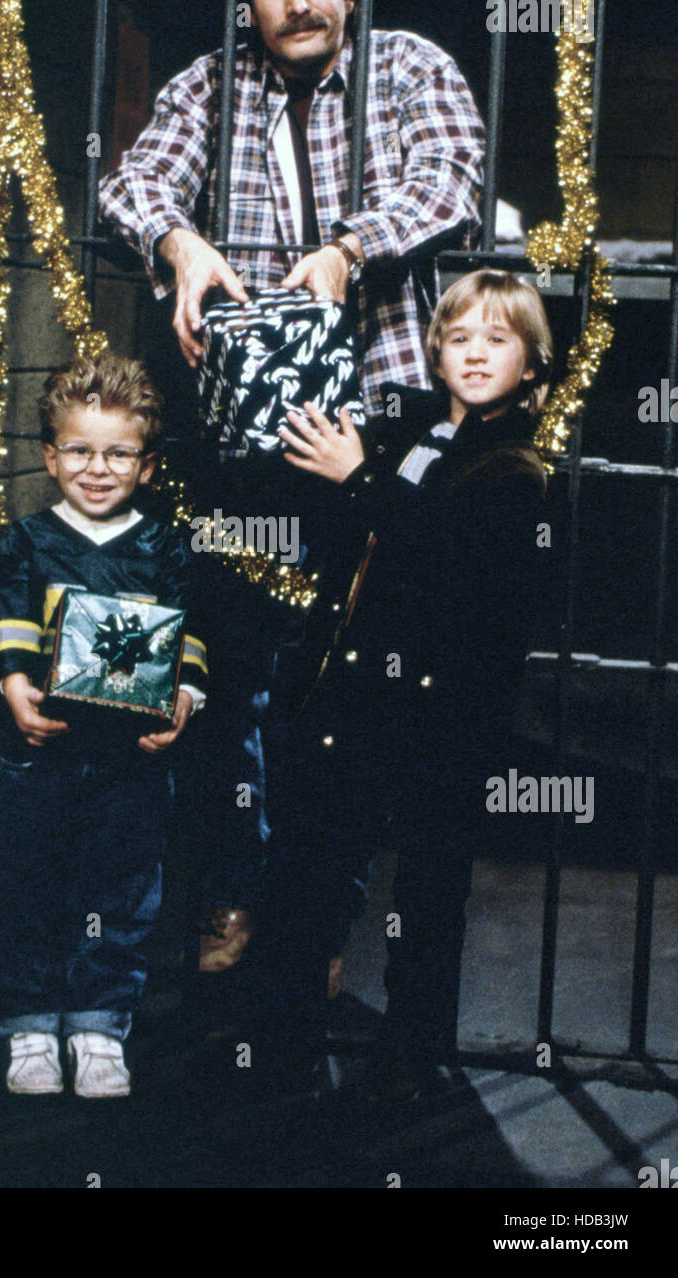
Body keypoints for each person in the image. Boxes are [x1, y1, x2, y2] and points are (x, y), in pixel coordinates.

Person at [97, 0, 485, 975]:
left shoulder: (409, 68)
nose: (295, 3)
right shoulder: (215, 83)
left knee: (352, 686)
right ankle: (231, 893)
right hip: (244, 441)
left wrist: (347, 251)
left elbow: (450, 178)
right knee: (230, 665)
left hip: (375, 428)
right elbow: (133, 179)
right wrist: (177, 243)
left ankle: (320, 916)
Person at [274, 269, 553, 1091]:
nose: (475, 353)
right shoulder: (413, 431)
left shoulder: (515, 472)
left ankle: (416, 1047)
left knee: (431, 882)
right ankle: (289, 1020)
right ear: (434, 355)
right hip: (365, 694)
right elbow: (358, 531)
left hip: (446, 711)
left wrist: (359, 480)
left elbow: (447, 566)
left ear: (531, 366)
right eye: (459, 337)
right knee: (323, 854)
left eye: (497, 340)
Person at [0, 353, 207, 1097]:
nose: (97, 468)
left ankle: (101, 1024)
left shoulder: (165, 547)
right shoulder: (29, 540)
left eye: (118, 453)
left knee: (121, 891)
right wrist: (14, 685)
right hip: (38, 756)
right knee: (25, 886)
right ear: (50, 456)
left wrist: (185, 700)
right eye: (79, 450)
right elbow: (6, 615)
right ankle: (32, 1024)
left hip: (131, 762)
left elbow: (190, 637)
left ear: (144, 465)